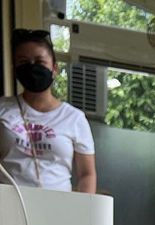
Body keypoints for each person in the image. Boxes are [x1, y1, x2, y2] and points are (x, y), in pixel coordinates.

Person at [0, 29, 96, 193]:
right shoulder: (3, 108)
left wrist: (82, 213)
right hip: (8, 206)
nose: (32, 67)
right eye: (23, 62)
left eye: (39, 61)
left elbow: (87, 174)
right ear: (15, 69)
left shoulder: (74, 118)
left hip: (58, 208)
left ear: (54, 68)